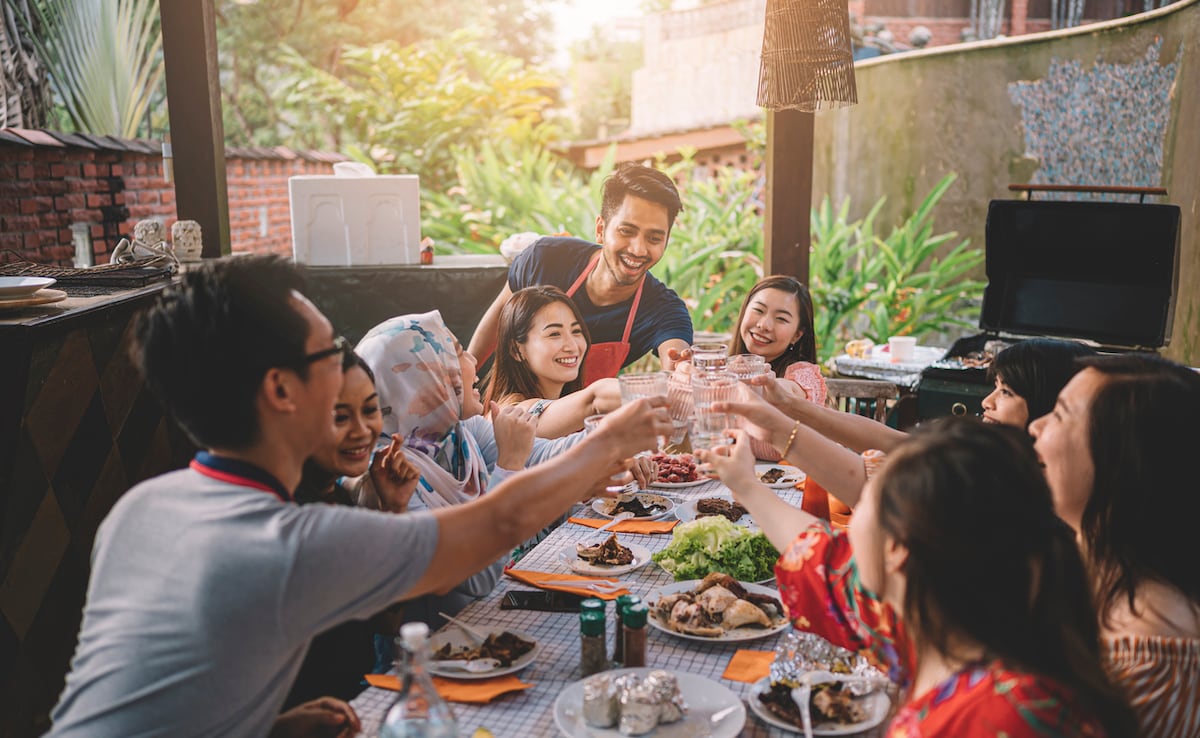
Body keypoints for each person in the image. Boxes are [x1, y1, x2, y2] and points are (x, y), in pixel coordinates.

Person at [48, 255, 671, 737]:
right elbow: (496, 524)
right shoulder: (289, 539)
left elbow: (145, 696)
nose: (354, 370)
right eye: (330, 351)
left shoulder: (142, 507)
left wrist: (267, 725)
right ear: (281, 390)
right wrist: (608, 437)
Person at [701, 414, 1138, 737]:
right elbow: (819, 556)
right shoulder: (936, 613)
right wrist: (746, 485)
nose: (852, 507)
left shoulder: (1011, 715)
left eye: (867, 496)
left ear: (896, 550)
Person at [354, 310, 654, 623]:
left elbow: (547, 457)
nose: (473, 360)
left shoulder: (458, 434)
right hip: (434, 651)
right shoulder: (392, 476)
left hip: (489, 621)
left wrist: (612, 443)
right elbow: (476, 580)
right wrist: (509, 465)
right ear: (421, 379)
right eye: (457, 353)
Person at [1029, 354, 1200, 738]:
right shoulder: (1085, 563)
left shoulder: (1148, 651)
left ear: (1121, 456)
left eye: (1058, 414)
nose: (1034, 426)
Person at [468, 162, 693, 383]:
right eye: (626, 231)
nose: (638, 249)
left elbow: (676, 358)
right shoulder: (546, 259)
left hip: (586, 418)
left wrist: (682, 370)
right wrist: (465, 379)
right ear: (600, 230)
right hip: (513, 408)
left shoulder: (664, 310)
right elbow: (498, 321)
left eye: (654, 238)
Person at [285, 353, 417, 709]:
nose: (362, 430)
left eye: (370, 410)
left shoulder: (339, 496)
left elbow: (385, 620)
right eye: (339, 417)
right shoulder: (290, 514)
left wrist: (393, 510)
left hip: (351, 704)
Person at [479, 285, 624, 438]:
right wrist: (645, 393)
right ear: (516, 350)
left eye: (576, 331)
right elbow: (595, 400)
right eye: (554, 334)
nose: (572, 346)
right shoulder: (513, 412)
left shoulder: (562, 408)